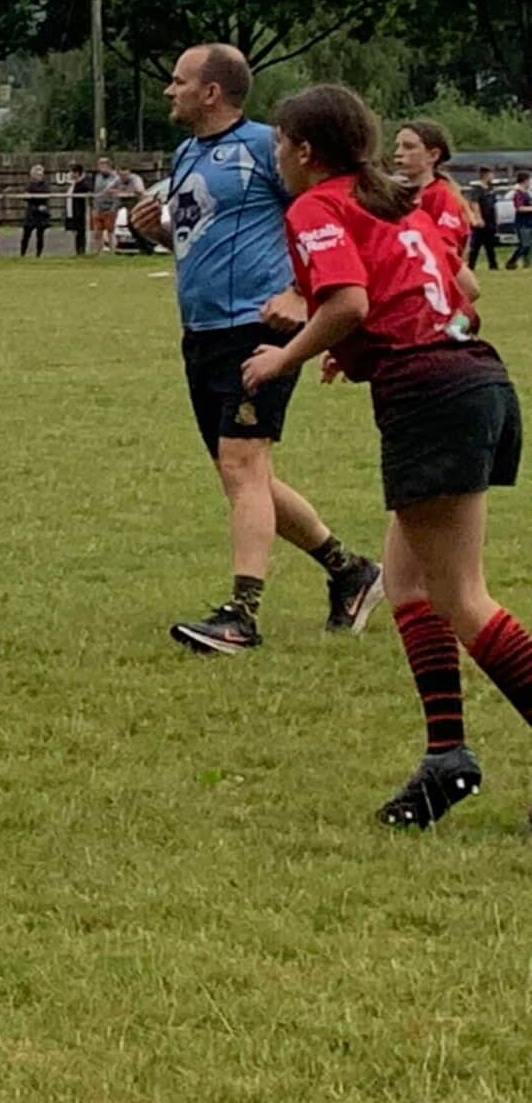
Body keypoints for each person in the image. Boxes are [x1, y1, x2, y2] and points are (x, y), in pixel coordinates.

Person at [239, 84, 525, 829]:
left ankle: (449, 757)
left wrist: (287, 356)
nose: (277, 157)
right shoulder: (394, 201)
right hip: (472, 380)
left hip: (433, 395)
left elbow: (349, 305)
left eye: (280, 146)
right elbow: (458, 291)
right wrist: (360, 353)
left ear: (304, 151)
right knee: (407, 587)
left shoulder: (318, 205)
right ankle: (446, 760)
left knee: (463, 596)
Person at [127, 44, 381, 654]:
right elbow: (206, 237)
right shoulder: (188, 152)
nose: (169, 91)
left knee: (243, 467)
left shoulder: (271, 147)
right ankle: (351, 571)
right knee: (242, 472)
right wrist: (159, 234)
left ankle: (241, 616)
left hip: (256, 331)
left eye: (179, 80)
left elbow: (328, 219)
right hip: (203, 333)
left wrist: (299, 291)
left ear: (212, 92)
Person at [392, 119, 471, 261]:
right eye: (397, 147)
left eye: (409, 147)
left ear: (433, 155)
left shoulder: (442, 196)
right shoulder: (397, 195)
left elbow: (448, 251)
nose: (398, 153)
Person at [466, 165, 504, 273]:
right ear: (485, 175)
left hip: (490, 219)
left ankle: (493, 265)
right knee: (476, 244)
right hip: (482, 218)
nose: (493, 176)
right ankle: (471, 266)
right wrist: (478, 217)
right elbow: (474, 203)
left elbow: (494, 204)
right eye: (491, 174)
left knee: (490, 244)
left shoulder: (491, 188)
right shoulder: (477, 189)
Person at [88, 158, 121, 255]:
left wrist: (114, 208)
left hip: (110, 208)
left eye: (104, 165)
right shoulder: (97, 177)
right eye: (100, 165)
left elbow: (118, 193)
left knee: (110, 232)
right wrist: (94, 207)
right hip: (97, 208)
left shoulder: (115, 178)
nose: (102, 168)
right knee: (97, 232)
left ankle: (112, 252)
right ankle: (99, 252)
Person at [19, 164, 53, 257]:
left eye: (39, 174)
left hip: (41, 213)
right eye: (35, 174)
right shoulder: (29, 184)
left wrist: (33, 197)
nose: (37, 176)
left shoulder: (45, 185)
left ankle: (38, 255)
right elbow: (26, 196)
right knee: (26, 235)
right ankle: (22, 254)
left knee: (40, 236)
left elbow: (46, 195)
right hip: (31, 212)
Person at [67, 163, 94, 256]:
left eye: (72, 172)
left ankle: (82, 251)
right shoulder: (73, 183)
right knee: (76, 232)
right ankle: (78, 251)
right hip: (72, 211)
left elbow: (88, 189)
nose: (71, 175)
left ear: (77, 173)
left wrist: (78, 182)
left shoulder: (84, 182)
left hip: (81, 212)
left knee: (81, 232)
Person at [513, 172, 532, 271]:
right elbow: (519, 208)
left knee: (528, 246)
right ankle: (511, 262)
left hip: (529, 222)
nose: (530, 182)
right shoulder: (518, 193)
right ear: (525, 180)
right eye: (529, 180)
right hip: (522, 224)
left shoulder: (526, 193)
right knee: (524, 245)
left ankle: (527, 264)